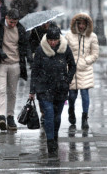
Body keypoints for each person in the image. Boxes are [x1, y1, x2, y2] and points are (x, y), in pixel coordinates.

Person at [29, 24, 76, 157]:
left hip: (60, 88)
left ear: (59, 39)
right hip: (44, 88)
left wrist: (67, 79)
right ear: (47, 39)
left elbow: (72, 65)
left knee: (57, 116)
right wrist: (32, 90)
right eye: (50, 40)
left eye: (55, 40)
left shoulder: (65, 48)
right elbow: (35, 71)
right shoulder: (40, 50)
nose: (53, 43)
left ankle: (54, 136)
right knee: (48, 114)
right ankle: (50, 142)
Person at [0, 8, 28, 131]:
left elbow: (25, 45)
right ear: (6, 18)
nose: (13, 24)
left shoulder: (20, 29)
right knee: (1, 90)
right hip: (0, 64)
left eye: (15, 22)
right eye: (11, 22)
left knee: (12, 92)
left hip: (15, 64)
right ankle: (1, 116)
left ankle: (10, 116)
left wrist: (28, 58)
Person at [65, 13, 99, 129]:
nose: (81, 26)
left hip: (85, 69)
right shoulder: (69, 36)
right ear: (76, 24)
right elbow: (65, 51)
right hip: (72, 69)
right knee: (72, 95)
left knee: (85, 94)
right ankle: (71, 110)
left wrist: (86, 61)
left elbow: (95, 54)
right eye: (79, 23)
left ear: (87, 25)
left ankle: (85, 118)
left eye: (84, 24)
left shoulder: (92, 37)